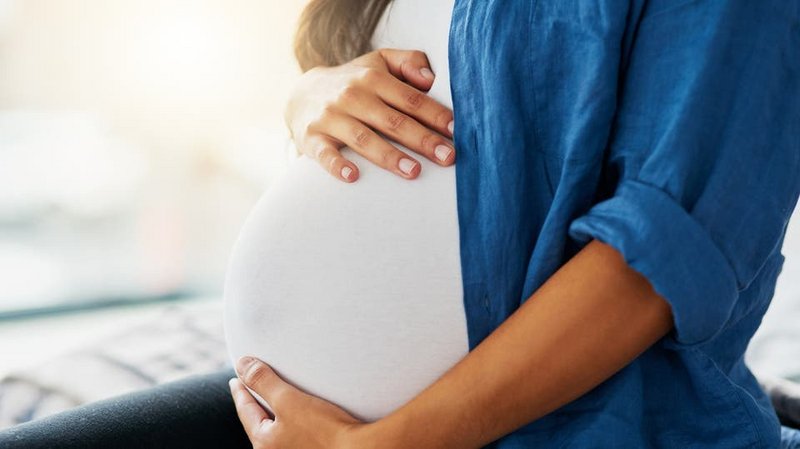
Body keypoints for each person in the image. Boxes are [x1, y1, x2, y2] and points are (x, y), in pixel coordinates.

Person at [2, 0, 799, 448]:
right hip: (299, 422)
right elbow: (367, 75)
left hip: (563, 430)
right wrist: (312, 96)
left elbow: (660, 257)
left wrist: (388, 447)